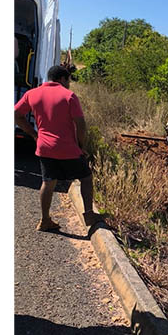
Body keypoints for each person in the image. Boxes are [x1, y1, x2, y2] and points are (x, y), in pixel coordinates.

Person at [14, 65, 98, 231]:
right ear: (62, 79)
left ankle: (45, 220)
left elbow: (16, 115)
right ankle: (89, 214)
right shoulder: (69, 96)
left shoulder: (32, 93)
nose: (69, 84)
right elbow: (80, 124)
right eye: (68, 80)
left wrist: (33, 134)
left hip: (44, 147)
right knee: (86, 178)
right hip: (68, 148)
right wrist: (81, 146)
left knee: (48, 182)